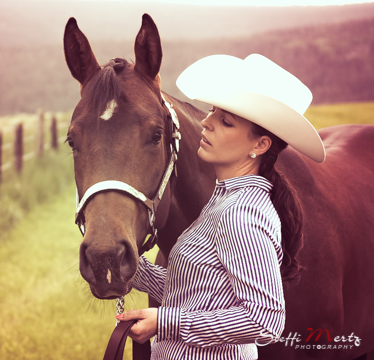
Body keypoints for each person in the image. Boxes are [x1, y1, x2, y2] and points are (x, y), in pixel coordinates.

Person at [116, 54, 326, 359]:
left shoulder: (240, 214)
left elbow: (265, 318)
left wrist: (165, 321)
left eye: (225, 121)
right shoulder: (224, 201)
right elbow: (198, 291)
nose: (206, 122)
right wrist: (130, 267)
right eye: (213, 111)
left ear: (260, 145)